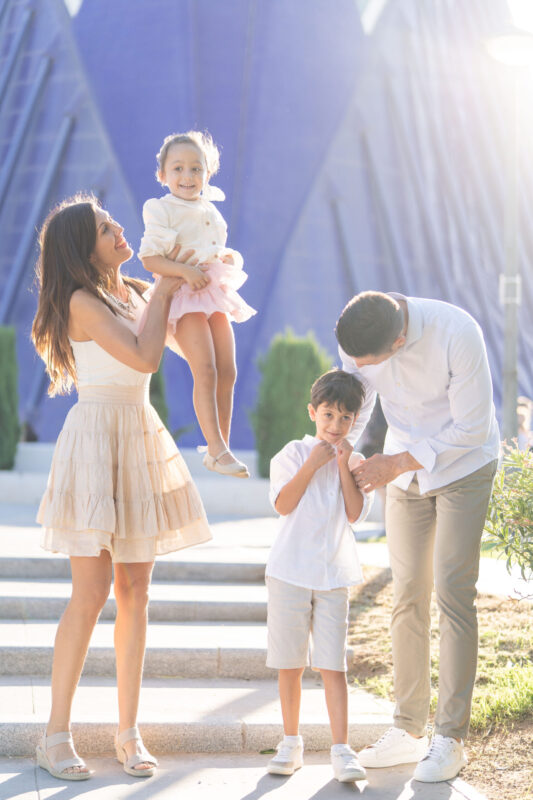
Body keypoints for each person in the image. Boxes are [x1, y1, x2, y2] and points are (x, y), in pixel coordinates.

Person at [31, 195, 212, 780]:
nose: (118, 231)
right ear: (83, 247)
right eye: (106, 228)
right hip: (96, 436)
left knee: (136, 589)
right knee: (91, 592)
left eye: (113, 222)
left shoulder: (132, 289)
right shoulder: (82, 302)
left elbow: (186, 350)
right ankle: (54, 734)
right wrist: (165, 286)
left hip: (136, 434)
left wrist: (202, 281)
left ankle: (128, 733)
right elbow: (143, 357)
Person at [335, 291, 500, 783]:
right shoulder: (361, 330)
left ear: (400, 339)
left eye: (370, 361)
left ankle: (450, 738)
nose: (360, 366)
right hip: (403, 469)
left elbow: (471, 429)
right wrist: (342, 449)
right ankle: (408, 730)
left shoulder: (458, 333)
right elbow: (359, 401)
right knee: (407, 595)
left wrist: (393, 463)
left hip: (463, 466)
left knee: (452, 591)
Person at [265, 369, 373, 784]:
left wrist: (345, 466)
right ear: (313, 412)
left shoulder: (355, 461)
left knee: (333, 664)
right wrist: (313, 463)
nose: (335, 426)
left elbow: (352, 512)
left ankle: (341, 748)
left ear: (355, 421)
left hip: (333, 576)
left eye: (345, 418)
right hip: (289, 572)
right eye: (328, 415)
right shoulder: (292, 453)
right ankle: (290, 741)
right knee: (289, 663)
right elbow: (284, 504)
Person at [138, 131, 256, 478]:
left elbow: (211, 248)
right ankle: (217, 450)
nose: (187, 177)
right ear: (162, 175)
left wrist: (228, 257)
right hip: (183, 293)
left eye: (195, 169)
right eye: (177, 169)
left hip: (211, 288)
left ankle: (219, 446)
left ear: (207, 173)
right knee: (204, 369)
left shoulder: (210, 210)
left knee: (227, 370)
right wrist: (184, 272)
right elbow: (150, 258)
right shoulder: (160, 208)